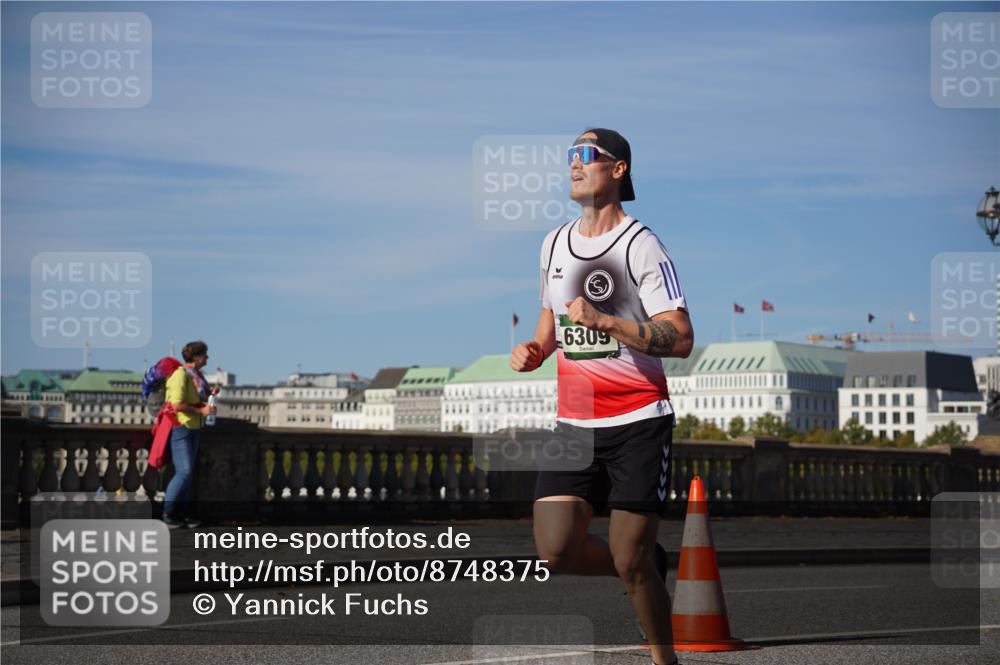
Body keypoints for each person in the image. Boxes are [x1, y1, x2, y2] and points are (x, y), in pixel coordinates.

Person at [510, 128, 694, 665]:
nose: (574, 164)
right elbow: (551, 318)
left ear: (618, 170)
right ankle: (644, 561)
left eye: (587, 156)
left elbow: (679, 337)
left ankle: (664, 659)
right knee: (555, 549)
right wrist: (537, 349)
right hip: (575, 421)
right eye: (570, 156)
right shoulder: (553, 243)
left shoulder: (640, 243)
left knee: (629, 561)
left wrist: (607, 322)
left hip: (638, 418)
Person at [162, 340, 217, 528]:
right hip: (181, 427)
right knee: (184, 471)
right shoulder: (180, 375)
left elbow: (199, 396)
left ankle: (181, 513)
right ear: (196, 357)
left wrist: (210, 394)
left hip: (193, 427)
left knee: (187, 472)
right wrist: (202, 411)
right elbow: (176, 405)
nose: (207, 358)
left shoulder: (197, 375)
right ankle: (169, 513)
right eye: (205, 354)